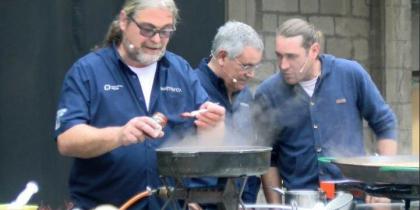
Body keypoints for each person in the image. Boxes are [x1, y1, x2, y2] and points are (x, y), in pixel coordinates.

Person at [53, 0, 225, 209]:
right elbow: (67, 140)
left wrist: (216, 125)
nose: (156, 39)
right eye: (147, 29)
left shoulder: (181, 71)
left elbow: (209, 141)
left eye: (165, 32)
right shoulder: (88, 71)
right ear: (124, 21)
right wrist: (119, 136)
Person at [253, 18, 397, 203]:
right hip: (301, 201)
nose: (283, 65)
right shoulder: (268, 93)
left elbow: (385, 124)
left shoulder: (350, 74)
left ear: (314, 50)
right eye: (279, 56)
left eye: (291, 56)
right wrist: (276, 207)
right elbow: (269, 159)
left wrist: (380, 188)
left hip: (354, 198)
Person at [193, 21, 264, 207]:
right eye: (246, 66)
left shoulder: (247, 94)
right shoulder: (192, 88)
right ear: (222, 57)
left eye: (255, 66)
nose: (251, 74)